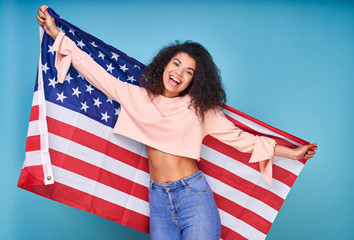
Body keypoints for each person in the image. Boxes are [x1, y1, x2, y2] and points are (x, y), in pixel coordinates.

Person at [36, 5, 317, 240]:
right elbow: (95, 72)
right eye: (176, 64)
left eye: (189, 72)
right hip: (158, 198)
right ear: (164, 65)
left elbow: (244, 141)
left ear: (195, 81)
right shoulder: (137, 97)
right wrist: (57, 34)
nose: (179, 73)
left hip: (194, 196)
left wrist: (291, 152)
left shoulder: (200, 110)